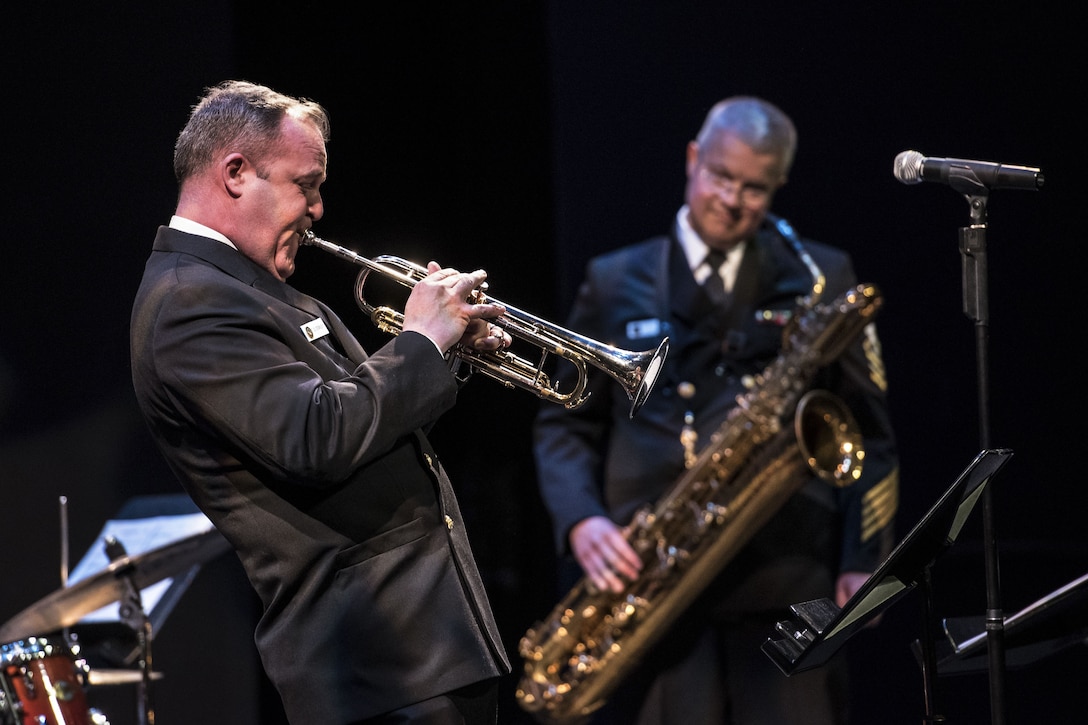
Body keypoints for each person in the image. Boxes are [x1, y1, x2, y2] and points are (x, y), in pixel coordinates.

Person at [130, 80, 513, 725]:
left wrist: (447, 349)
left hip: (423, 651)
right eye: (305, 184)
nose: (318, 209)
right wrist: (421, 340)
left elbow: (366, 416)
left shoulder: (251, 287)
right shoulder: (188, 304)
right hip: (374, 665)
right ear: (235, 173)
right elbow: (317, 438)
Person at [531, 96, 900, 724]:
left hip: (787, 582)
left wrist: (864, 559)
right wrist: (582, 521)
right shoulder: (613, 278)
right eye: (722, 177)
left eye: (755, 188)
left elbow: (870, 436)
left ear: (779, 185)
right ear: (693, 160)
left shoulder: (820, 276)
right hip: (655, 588)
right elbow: (566, 421)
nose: (732, 199)